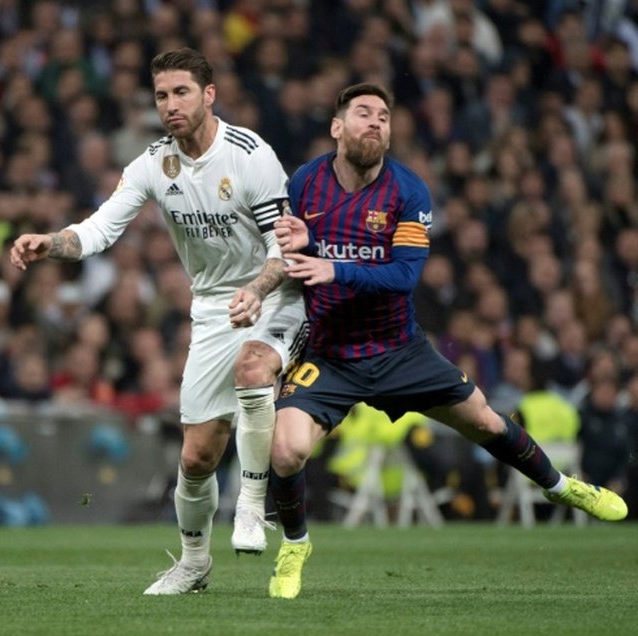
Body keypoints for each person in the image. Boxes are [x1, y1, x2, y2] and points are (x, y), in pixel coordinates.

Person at [266, 82, 628, 600]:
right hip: (331, 354)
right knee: (286, 450)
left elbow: (403, 276)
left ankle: (562, 487)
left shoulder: (408, 191)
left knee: (483, 419)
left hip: (400, 350)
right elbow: (288, 253)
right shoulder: (305, 182)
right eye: (363, 113)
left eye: (384, 116)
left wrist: (330, 265)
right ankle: (295, 546)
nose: (376, 123)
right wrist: (294, 258)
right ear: (336, 126)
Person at [10, 48, 306, 595]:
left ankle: (252, 503)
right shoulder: (153, 163)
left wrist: (257, 290)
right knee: (196, 457)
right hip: (213, 308)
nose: (170, 105)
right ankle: (194, 563)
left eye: (181, 93)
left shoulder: (250, 155)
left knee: (253, 367)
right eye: (162, 96)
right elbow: (98, 231)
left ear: (209, 94)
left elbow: (282, 250)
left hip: (276, 296)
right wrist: (49, 242)